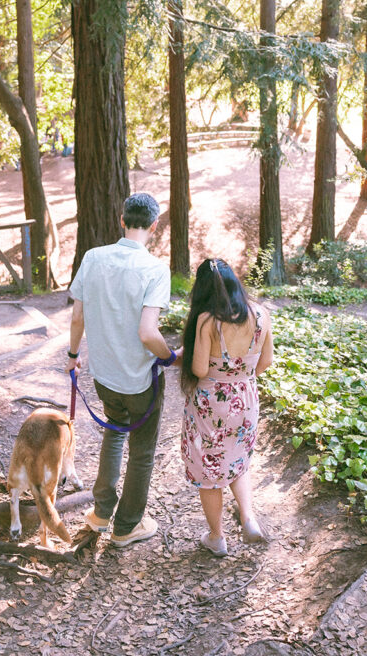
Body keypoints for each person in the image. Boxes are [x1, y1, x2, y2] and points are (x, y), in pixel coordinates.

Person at [65, 193, 181, 547]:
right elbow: (148, 333)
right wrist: (171, 357)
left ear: (121, 219)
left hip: (104, 376)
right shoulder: (156, 269)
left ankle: (101, 514)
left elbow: (78, 315)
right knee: (142, 451)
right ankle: (127, 526)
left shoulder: (93, 257)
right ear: (155, 225)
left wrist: (73, 355)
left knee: (114, 434)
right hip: (140, 381)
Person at [180, 258, 273, 557]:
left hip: (211, 404)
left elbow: (199, 370)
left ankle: (217, 537)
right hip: (245, 398)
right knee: (237, 459)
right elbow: (266, 362)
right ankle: (249, 519)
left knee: (210, 470)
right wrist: (240, 378)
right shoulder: (261, 313)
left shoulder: (208, 320)